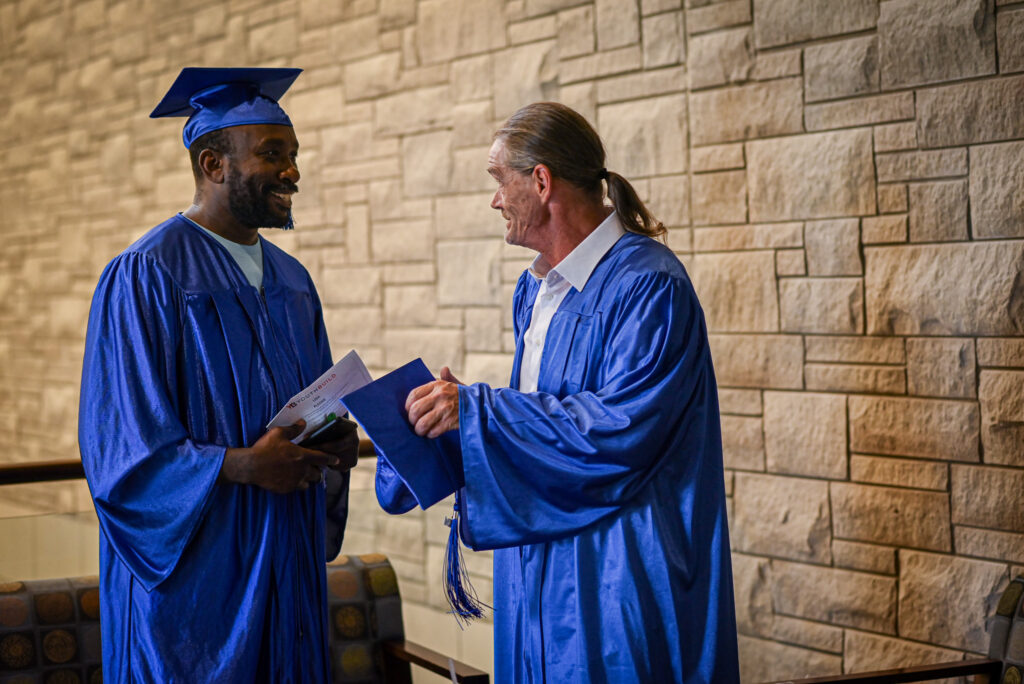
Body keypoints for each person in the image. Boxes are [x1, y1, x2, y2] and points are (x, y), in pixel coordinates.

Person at [377, 102, 740, 682]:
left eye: (500, 180)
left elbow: (618, 431)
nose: (495, 199)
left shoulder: (648, 287)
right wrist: (449, 415)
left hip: (616, 571)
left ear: (541, 181)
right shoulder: (539, 289)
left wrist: (475, 411)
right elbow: (545, 421)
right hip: (541, 562)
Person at [78, 67, 358, 682]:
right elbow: (121, 452)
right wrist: (243, 465)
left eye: (293, 155)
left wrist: (333, 442)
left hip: (283, 558)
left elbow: (311, 407)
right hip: (196, 587)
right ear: (213, 165)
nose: (293, 172)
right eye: (272, 154)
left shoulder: (293, 282)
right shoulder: (146, 276)